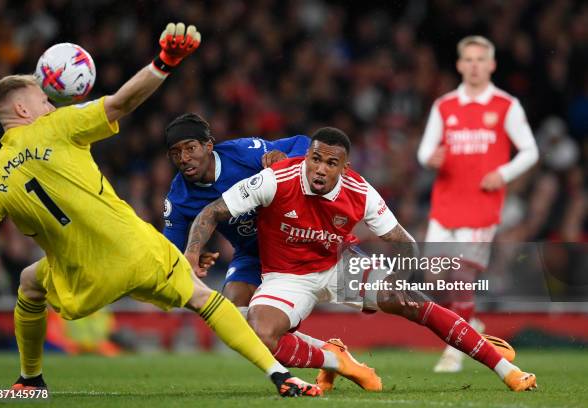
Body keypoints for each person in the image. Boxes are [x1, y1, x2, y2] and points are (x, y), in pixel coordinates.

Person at [0, 23, 320, 397]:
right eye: (42, 100)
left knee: (29, 280)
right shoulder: (58, 126)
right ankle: (280, 375)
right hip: (134, 251)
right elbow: (122, 101)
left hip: (80, 277)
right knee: (202, 298)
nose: (50, 104)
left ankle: (30, 380)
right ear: (23, 108)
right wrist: (164, 62)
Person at [184, 127, 538, 392]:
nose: (320, 169)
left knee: (411, 302)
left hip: (340, 266)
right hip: (287, 276)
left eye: (331, 163)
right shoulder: (275, 179)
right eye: (316, 159)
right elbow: (211, 213)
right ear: (307, 157)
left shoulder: (360, 190)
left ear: (344, 167)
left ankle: (506, 371)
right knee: (261, 334)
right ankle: (335, 358)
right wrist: (191, 254)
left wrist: (400, 279)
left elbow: (402, 241)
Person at [162, 113, 363, 390]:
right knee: (233, 314)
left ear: (209, 146)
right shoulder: (178, 197)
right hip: (252, 254)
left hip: (298, 242)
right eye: (175, 152)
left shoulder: (244, 152)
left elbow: (304, 143)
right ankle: (331, 357)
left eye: (190, 148)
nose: (183, 158)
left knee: (382, 300)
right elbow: (170, 250)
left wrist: (282, 155)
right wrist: (191, 256)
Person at [417, 36, 539, 372]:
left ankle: (455, 349)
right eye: (468, 59)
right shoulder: (444, 105)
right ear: (459, 65)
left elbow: (530, 151)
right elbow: (424, 151)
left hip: (482, 207)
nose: (474, 66)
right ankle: (473, 325)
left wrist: (503, 172)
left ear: (491, 65)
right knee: (434, 282)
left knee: (462, 274)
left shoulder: (505, 105)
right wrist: (432, 159)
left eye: (480, 59)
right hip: (445, 206)